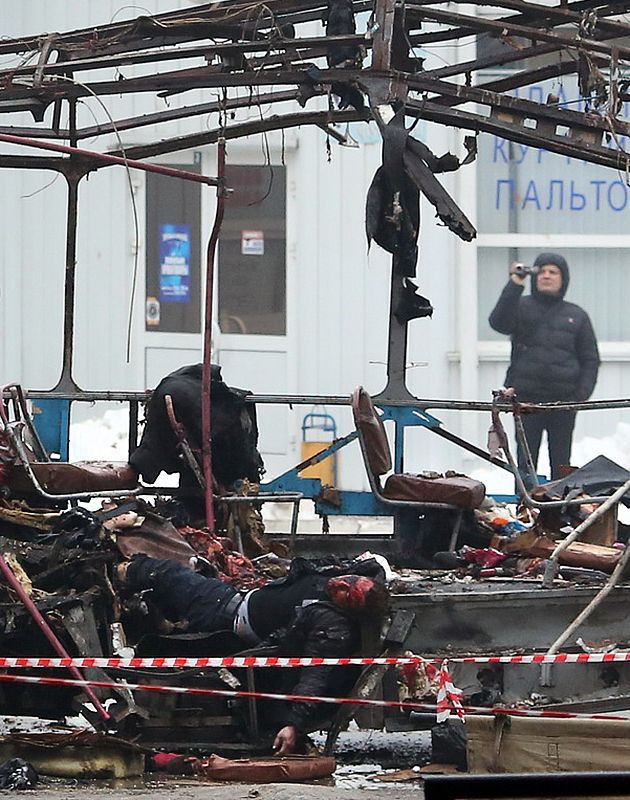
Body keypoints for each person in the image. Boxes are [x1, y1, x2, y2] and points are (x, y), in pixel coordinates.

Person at [117, 555, 388, 754]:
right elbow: (374, 566)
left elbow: (315, 676)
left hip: (225, 612)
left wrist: (293, 724)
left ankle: (118, 570)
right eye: (349, 581)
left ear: (350, 610)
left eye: (346, 594)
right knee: (161, 594)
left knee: (163, 573)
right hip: (236, 601)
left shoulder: (332, 627)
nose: (339, 584)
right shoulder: (338, 591)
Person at [488, 252, 600, 485]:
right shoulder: (520, 306)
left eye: (553, 272)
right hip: (526, 401)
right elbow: (498, 323)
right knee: (525, 463)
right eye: (542, 271)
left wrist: (579, 397)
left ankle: (557, 514)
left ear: (563, 279)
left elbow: (590, 359)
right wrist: (514, 284)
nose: (547, 276)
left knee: (562, 462)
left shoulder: (577, 315)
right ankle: (525, 508)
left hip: (564, 403)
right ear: (534, 276)